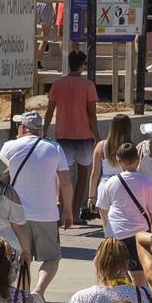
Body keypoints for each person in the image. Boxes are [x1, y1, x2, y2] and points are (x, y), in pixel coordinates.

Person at [0, 112, 73, 290]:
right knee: (52, 257)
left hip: (16, 213)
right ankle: (39, 291)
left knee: (22, 257)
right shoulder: (54, 148)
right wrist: (68, 210)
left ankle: (23, 294)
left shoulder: (9, 147)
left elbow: (0, 180)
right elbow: (66, 182)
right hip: (46, 213)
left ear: (24, 128)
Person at [44, 52, 101, 220]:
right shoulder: (88, 85)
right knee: (83, 176)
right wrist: (97, 136)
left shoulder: (58, 84)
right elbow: (92, 114)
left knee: (63, 177)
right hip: (84, 135)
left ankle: (61, 212)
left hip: (63, 135)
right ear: (82, 65)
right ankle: (75, 213)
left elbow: (49, 111)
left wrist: (44, 130)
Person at [95, 143, 152, 242]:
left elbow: (103, 209)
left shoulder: (111, 182)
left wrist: (107, 229)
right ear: (138, 160)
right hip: (141, 233)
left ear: (119, 162)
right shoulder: (147, 181)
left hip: (116, 232)